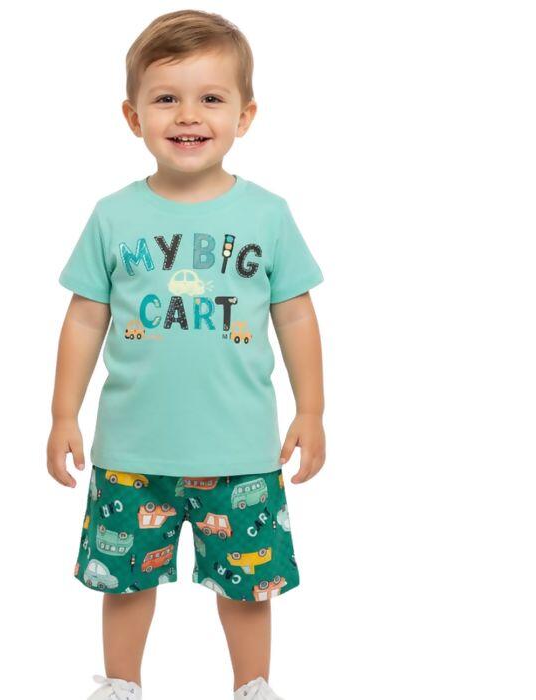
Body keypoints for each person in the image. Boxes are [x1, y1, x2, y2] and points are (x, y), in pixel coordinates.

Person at [47, 10, 327, 700]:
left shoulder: (268, 215)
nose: (188, 116)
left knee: (248, 586)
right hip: (131, 451)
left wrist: (312, 411)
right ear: (133, 115)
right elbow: (85, 317)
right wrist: (62, 415)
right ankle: (121, 685)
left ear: (245, 115)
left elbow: (295, 314)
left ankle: (252, 685)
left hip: (241, 451)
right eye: (166, 98)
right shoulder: (113, 216)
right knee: (122, 580)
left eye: (211, 98)